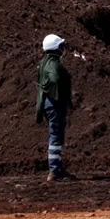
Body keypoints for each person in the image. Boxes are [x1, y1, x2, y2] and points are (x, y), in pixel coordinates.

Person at [35, 34, 73, 181]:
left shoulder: (44, 62)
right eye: (61, 46)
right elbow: (54, 78)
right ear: (56, 48)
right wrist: (56, 93)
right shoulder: (53, 64)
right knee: (56, 135)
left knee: (55, 134)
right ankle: (55, 170)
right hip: (54, 103)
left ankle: (56, 168)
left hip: (47, 103)